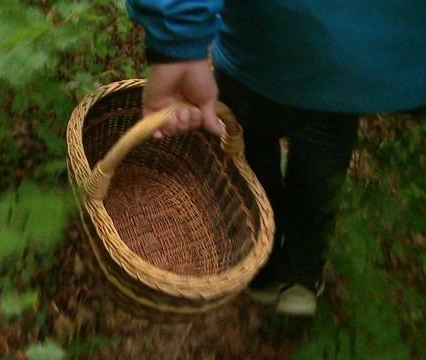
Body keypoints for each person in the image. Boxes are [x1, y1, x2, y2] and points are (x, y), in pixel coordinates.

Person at [126, 1, 426, 316]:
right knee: (319, 173)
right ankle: (302, 276)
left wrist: (177, 41)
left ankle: (260, 266)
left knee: (250, 155)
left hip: (261, 47)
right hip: (344, 64)